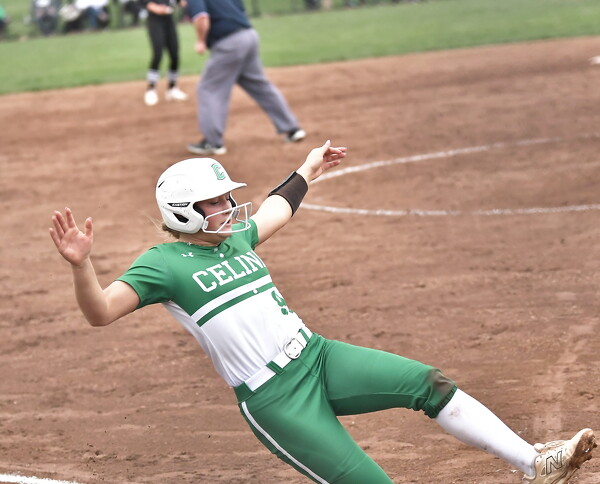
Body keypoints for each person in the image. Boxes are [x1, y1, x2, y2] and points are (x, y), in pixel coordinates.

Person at [49, 141, 596, 483]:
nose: (229, 207)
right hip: (277, 400)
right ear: (183, 212)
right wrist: (82, 265)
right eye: (215, 202)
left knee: (427, 384)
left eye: (227, 198)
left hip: (319, 357)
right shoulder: (162, 264)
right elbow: (101, 312)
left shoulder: (236, 238)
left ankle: (535, 464)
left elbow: (277, 207)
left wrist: (307, 167)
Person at [185, 0, 306, 156]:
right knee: (260, 86)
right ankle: (292, 128)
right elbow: (241, 10)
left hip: (229, 43)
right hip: (248, 35)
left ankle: (212, 142)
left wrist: (201, 41)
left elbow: (201, 17)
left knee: (208, 88)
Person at [140, 0, 188, 106]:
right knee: (158, 54)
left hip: (168, 21)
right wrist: (156, 8)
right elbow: (147, 4)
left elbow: (180, 3)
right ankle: (151, 89)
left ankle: (172, 88)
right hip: (155, 21)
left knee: (174, 55)